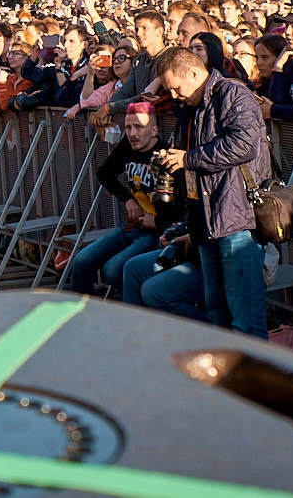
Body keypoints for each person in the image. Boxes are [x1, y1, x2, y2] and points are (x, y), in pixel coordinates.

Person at [151, 43, 273, 338]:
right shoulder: (189, 108)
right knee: (217, 309)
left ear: (194, 72)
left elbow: (243, 145)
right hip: (204, 219)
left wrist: (187, 159)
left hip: (235, 218)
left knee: (245, 315)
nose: (174, 95)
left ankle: (252, 380)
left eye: (176, 88)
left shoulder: (232, 93)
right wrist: (172, 160)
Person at [67, 100, 182, 294]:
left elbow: (180, 206)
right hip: (133, 225)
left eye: (139, 126)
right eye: (128, 127)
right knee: (81, 260)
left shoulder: (164, 156)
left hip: (158, 232)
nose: (132, 133)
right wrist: (128, 199)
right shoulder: (128, 147)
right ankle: (83, 313)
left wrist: (159, 221)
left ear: (154, 130)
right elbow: (104, 173)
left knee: (112, 270)